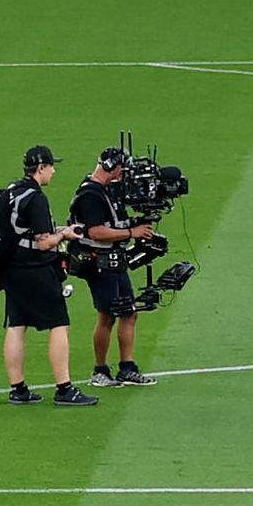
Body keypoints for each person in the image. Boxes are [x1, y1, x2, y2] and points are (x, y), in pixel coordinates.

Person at [0, 147, 92, 406]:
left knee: (17, 324)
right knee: (58, 323)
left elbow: (25, 231)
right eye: (51, 166)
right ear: (41, 167)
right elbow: (44, 243)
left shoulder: (13, 192)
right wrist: (64, 235)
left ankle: (18, 389)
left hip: (10, 268)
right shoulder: (37, 198)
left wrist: (62, 230)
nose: (54, 171)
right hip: (34, 269)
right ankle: (65, 389)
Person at [67, 146, 162, 385]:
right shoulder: (90, 195)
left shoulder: (107, 191)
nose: (123, 174)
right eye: (121, 168)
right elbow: (96, 231)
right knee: (107, 316)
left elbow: (115, 221)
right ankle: (100, 371)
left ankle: (127, 367)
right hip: (99, 262)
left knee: (129, 313)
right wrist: (132, 231)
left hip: (115, 260)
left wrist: (138, 223)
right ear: (110, 167)